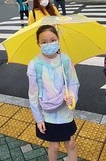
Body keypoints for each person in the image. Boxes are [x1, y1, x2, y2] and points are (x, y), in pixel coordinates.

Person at [27, 25, 79, 161]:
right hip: (47, 112)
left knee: (71, 143)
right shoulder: (34, 64)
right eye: (44, 42)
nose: (49, 44)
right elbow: (33, 94)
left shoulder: (65, 60)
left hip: (64, 110)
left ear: (58, 39)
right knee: (54, 146)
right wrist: (38, 118)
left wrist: (72, 96)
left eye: (52, 40)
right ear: (38, 43)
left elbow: (73, 82)